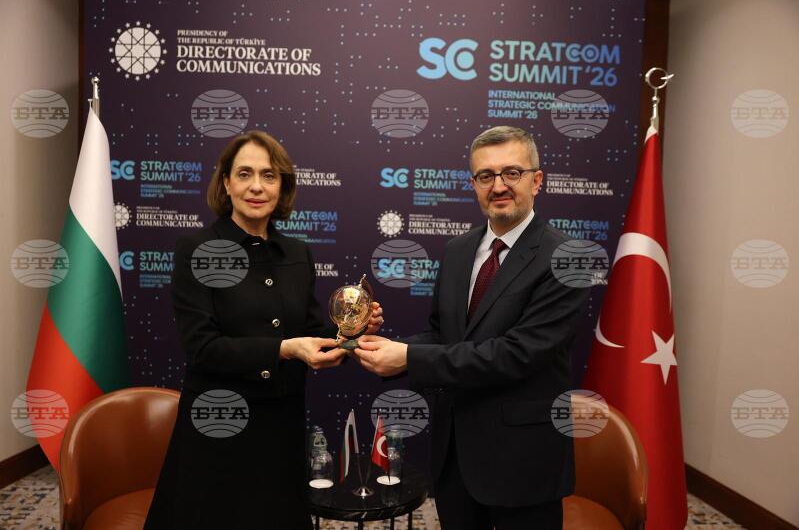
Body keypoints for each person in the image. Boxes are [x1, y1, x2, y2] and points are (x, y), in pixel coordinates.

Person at [144, 130, 383, 530]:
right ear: (226, 183)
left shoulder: (297, 252)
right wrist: (284, 349)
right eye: (245, 174)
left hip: (279, 426)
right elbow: (202, 348)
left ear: (282, 186)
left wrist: (351, 331)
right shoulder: (198, 249)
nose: (256, 186)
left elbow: (310, 330)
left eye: (269, 176)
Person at [355, 126, 589, 530]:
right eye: (485, 175)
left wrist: (408, 358)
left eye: (511, 173)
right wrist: (385, 347)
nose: (498, 186)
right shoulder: (458, 250)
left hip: (524, 464)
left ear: (537, 180)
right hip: (456, 456)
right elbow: (444, 336)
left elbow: (516, 354)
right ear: (473, 185)